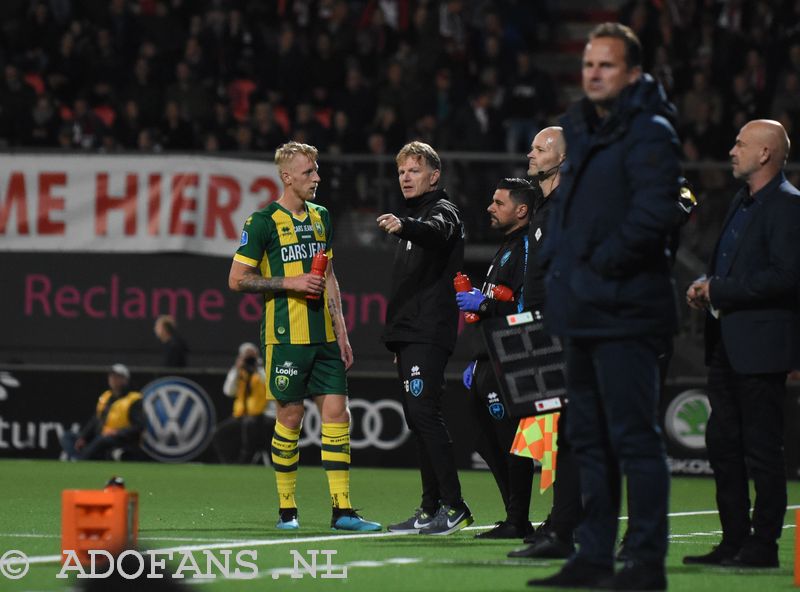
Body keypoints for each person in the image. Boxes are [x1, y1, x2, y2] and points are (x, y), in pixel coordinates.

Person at [528, 23, 681, 590]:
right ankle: (593, 554)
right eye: (589, 63)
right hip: (585, 311)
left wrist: (594, 266)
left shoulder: (651, 133)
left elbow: (654, 217)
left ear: (633, 74)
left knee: (634, 439)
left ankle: (644, 563)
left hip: (627, 310)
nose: (593, 72)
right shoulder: (582, 130)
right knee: (588, 439)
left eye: (607, 65)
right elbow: (569, 219)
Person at [228, 141, 380, 532]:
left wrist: (343, 333)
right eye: (309, 171)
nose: (317, 177)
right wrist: (289, 282)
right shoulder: (261, 222)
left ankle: (342, 510)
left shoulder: (321, 217)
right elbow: (237, 280)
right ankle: (287, 510)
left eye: (316, 170)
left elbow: (329, 277)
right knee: (291, 418)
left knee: (337, 415)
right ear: (287, 176)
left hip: (325, 337)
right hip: (286, 337)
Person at [683, 120, 800, 568]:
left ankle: (763, 546)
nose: (731, 150)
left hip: (761, 349)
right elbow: (732, 270)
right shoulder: (741, 201)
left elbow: (787, 278)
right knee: (723, 445)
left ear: (766, 154)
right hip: (727, 346)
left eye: (740, 143)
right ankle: (733, 541)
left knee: (763, 450)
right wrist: (705, 285)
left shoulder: (788, 206)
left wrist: (720, 291)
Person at [377, 141, 473, 535]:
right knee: (418, 420)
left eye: (414, 170)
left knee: (425, 415)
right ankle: (429, 507)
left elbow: (436, 233)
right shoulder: (416, 216)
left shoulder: (442, 211)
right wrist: (397, 340)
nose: (405, 177)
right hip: (411, 334)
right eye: (401, 171)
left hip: (429, 331)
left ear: (434, 176)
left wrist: (406, 226)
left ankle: (453, 505)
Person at [507, 126, 582, 559]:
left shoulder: (570, 204)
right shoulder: (544, 206)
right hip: (543, 328)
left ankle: (570, 522)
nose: (531, 153)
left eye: (540, 148)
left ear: (564, 158)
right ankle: (562, 519)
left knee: (570, 432)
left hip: (565, 330)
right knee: (554, 433)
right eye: (532, 145)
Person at [457, 178, 537, 539]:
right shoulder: (506, 245)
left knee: (511, 440)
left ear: (521, 210)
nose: (490, 207)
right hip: (491, 355)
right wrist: (478, 357)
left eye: (498, 202)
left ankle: (518, 518)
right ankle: (513, 513)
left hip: (512, 355)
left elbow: (524, 305)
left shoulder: (526, 247)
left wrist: (485, 302)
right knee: (484, 439)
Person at [61, 364, 145, 461]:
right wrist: (83, 437)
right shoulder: (106, 397)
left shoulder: (133, 399)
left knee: (102, 439)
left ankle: (81, 458)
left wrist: (117, 432)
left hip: (119, 439)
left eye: (117, 377)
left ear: (125, 379)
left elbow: (139, 426)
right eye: (111, 376)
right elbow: (95, 420)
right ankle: (80, 457)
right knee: (68, 436)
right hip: (99, 437)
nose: (113, 379)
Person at [213, 342, 276, 464]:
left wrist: (259, 367)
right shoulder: (238, 371)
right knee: (219, 434)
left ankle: (246, 461)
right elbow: (228, 391)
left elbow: (271, 388)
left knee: (252, 428)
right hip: (242, 414)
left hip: (263, 414)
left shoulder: (263, 369)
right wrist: (237, 369)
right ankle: (228, 463)